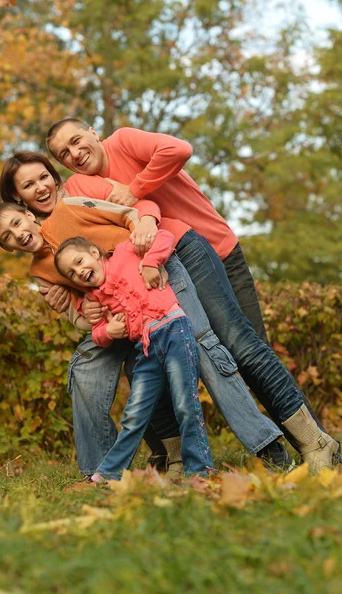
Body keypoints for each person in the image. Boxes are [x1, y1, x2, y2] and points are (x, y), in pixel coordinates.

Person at [45, 120, 336, 458]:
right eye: (64, 153)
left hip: (213, 249)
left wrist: (136, 188)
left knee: (248, 350)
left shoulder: (123, 141)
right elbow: (79, 235)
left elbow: (178, 149)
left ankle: (317, 445)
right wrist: (71, 299)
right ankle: (174, 458)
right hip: (171, 266)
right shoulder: (82, 184)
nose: (75, 153)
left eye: (77, 141)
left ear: (93, 133)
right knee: (169, 361)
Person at [0, 196, 338, 475]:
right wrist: (92, 320)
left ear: (27, 213)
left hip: (158, 278)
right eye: (7, 237)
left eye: (16, 223)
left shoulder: (70, 211)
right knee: (144, 377)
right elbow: (77, 314)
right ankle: (173, 460)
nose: (17, 234)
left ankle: (270, 447)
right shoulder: (41, 272)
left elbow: (133, 214)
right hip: (137, 320)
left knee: (207, 352)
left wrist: (151, 258)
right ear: (8, 248)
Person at [54, 232, 214, 480]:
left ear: (94, 253)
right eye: (72, 274)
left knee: (184, 404)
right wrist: (109, 331)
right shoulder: (94, 298)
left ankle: (200, 471)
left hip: (174, 330)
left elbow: (164, 236)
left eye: (78, 262)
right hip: (146, 347)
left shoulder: (125, 252)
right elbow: (97, 334)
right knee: (134, 413)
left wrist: (151, 262)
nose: (78, 272)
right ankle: (110, 473)